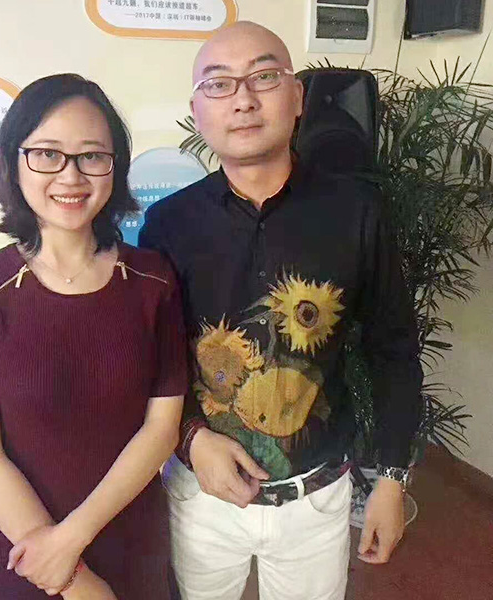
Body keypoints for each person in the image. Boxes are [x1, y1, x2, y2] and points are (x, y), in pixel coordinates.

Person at [139, 21, 423, 600]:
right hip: (201, 493)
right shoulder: (168, 225)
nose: (243, 99)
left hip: (314, 499)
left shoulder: (357, 212)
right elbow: (154, 359)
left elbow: (393, 350)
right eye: (219, 84)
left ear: (297, 99)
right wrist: (191, 438)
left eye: (264, 77)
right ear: (198, 112)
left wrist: (392, 479)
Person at [0, 73, 187, 599]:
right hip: (21, 548)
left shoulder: (153, 279)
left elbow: (160, 430)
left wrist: (72, 542)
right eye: (47, 154)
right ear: (13, 162)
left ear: (115, 166)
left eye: (92, 156)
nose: (70, 176)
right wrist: (71, 579)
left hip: (130, 537)